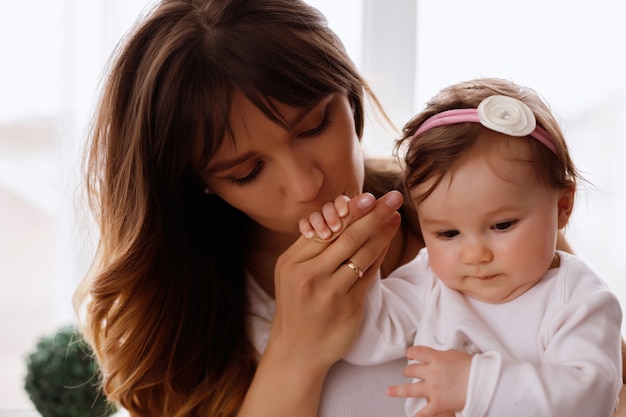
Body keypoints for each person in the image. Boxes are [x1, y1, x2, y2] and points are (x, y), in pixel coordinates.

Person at [72, 1, 424, 416]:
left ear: (349, 93)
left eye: (314, 126)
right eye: (247, 171)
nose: (305, 184)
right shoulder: (186, 333)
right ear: (198, 183)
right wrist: (295, 354)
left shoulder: (481, 210)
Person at [300, 78, 623, 417]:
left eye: (502, 226)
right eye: (449, 234)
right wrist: (345, 249)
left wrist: (474, 385)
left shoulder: (578, 297)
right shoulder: (431, 280)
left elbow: (592, 397)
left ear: (562, 207)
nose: (475, 255)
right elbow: (368, 340)